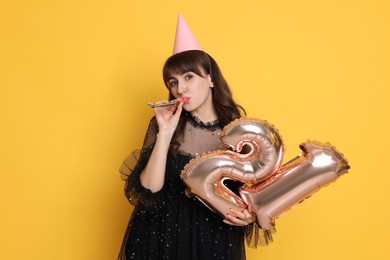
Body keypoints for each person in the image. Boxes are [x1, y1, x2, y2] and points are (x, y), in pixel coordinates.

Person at [117, 49, 261, 260]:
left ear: (211, 79)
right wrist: (165, 133)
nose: (180, 89)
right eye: (173, 82)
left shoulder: (240, 133)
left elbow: (251, 194)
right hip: (161, 238)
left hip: (215, 239)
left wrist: (250, 214)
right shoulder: (164, 126)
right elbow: (149, 189)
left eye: (188, 77)